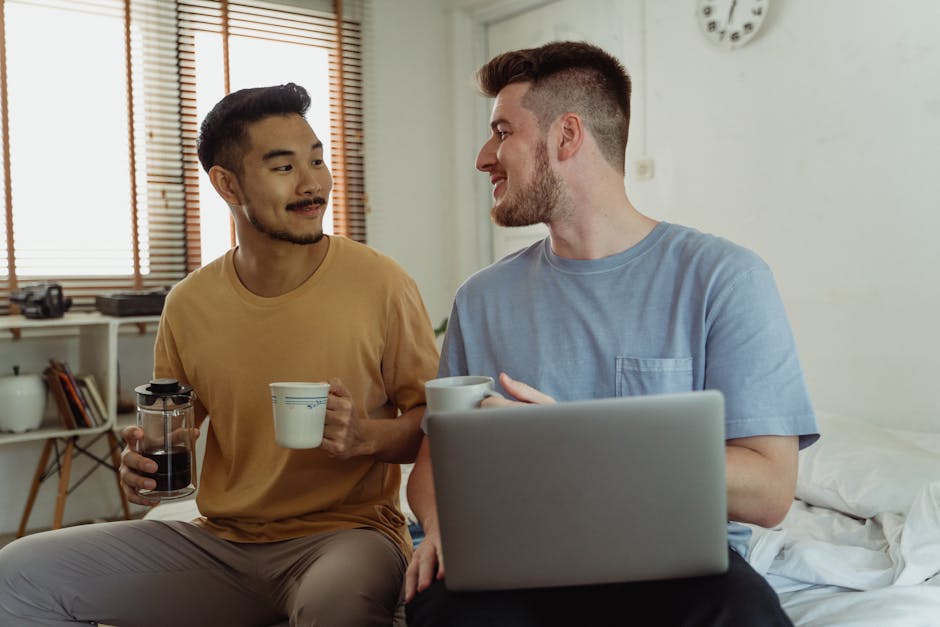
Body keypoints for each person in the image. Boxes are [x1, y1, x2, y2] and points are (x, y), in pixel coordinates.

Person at [403, 41, 818, 627]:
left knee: (745, 614)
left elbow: (770, 491)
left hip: (675, 567)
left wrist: (570, 442)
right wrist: (441, 531)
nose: (482, 157)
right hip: (517, 558)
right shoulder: (481, 299)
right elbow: (430, 464)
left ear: (566, 136)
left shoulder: (725, 278)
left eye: (502, 131)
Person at [0, 83, 439, 626]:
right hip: (223, 544)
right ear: (227, 184)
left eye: (318, 161)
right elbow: (174, 429)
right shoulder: (189, 303)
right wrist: (141, 463)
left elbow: (434, 422)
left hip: (348, 537)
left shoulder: (381, 283)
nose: (314, 184)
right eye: (283, 168)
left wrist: (365, 437)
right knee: (17, 573)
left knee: (337, 608)